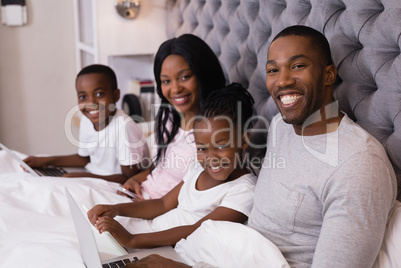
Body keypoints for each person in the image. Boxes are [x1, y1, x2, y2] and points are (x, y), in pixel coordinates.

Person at [125, 25, 398, 268]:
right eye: (272, 70)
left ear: (329, 75)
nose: (282, 81)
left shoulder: (359, 165)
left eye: (298, 66)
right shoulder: (281, 126)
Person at [87, 83, 257, 249]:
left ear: (243, 140)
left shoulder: (244, 190)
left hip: (166, 248)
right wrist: (115, 210)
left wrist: (132, 240)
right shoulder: (197, 169)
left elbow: (198, 230)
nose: (211, 158)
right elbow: (162, 205)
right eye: (202, 148)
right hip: (152, 233)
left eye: (221, 146)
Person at [121, 34, 226, 200]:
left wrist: (139, 208)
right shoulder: (170, 116)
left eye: (185, 77)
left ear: (203, 74)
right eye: (166, 81)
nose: (175, 89)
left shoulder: (215, 130)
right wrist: (135, 179)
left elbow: (187, 195)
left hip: (159, 210)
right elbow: (160, 167)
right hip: (142, 195)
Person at [23, 64, 149, 183]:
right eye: (83, 97)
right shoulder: (87, 120)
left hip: (113, 184)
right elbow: (85, 158)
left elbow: (130, 178)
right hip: (91, 175)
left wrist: (81, 177)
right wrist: (46, 161)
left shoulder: (124, 128)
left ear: (115, 96)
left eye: (99, 94)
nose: (91, 103)